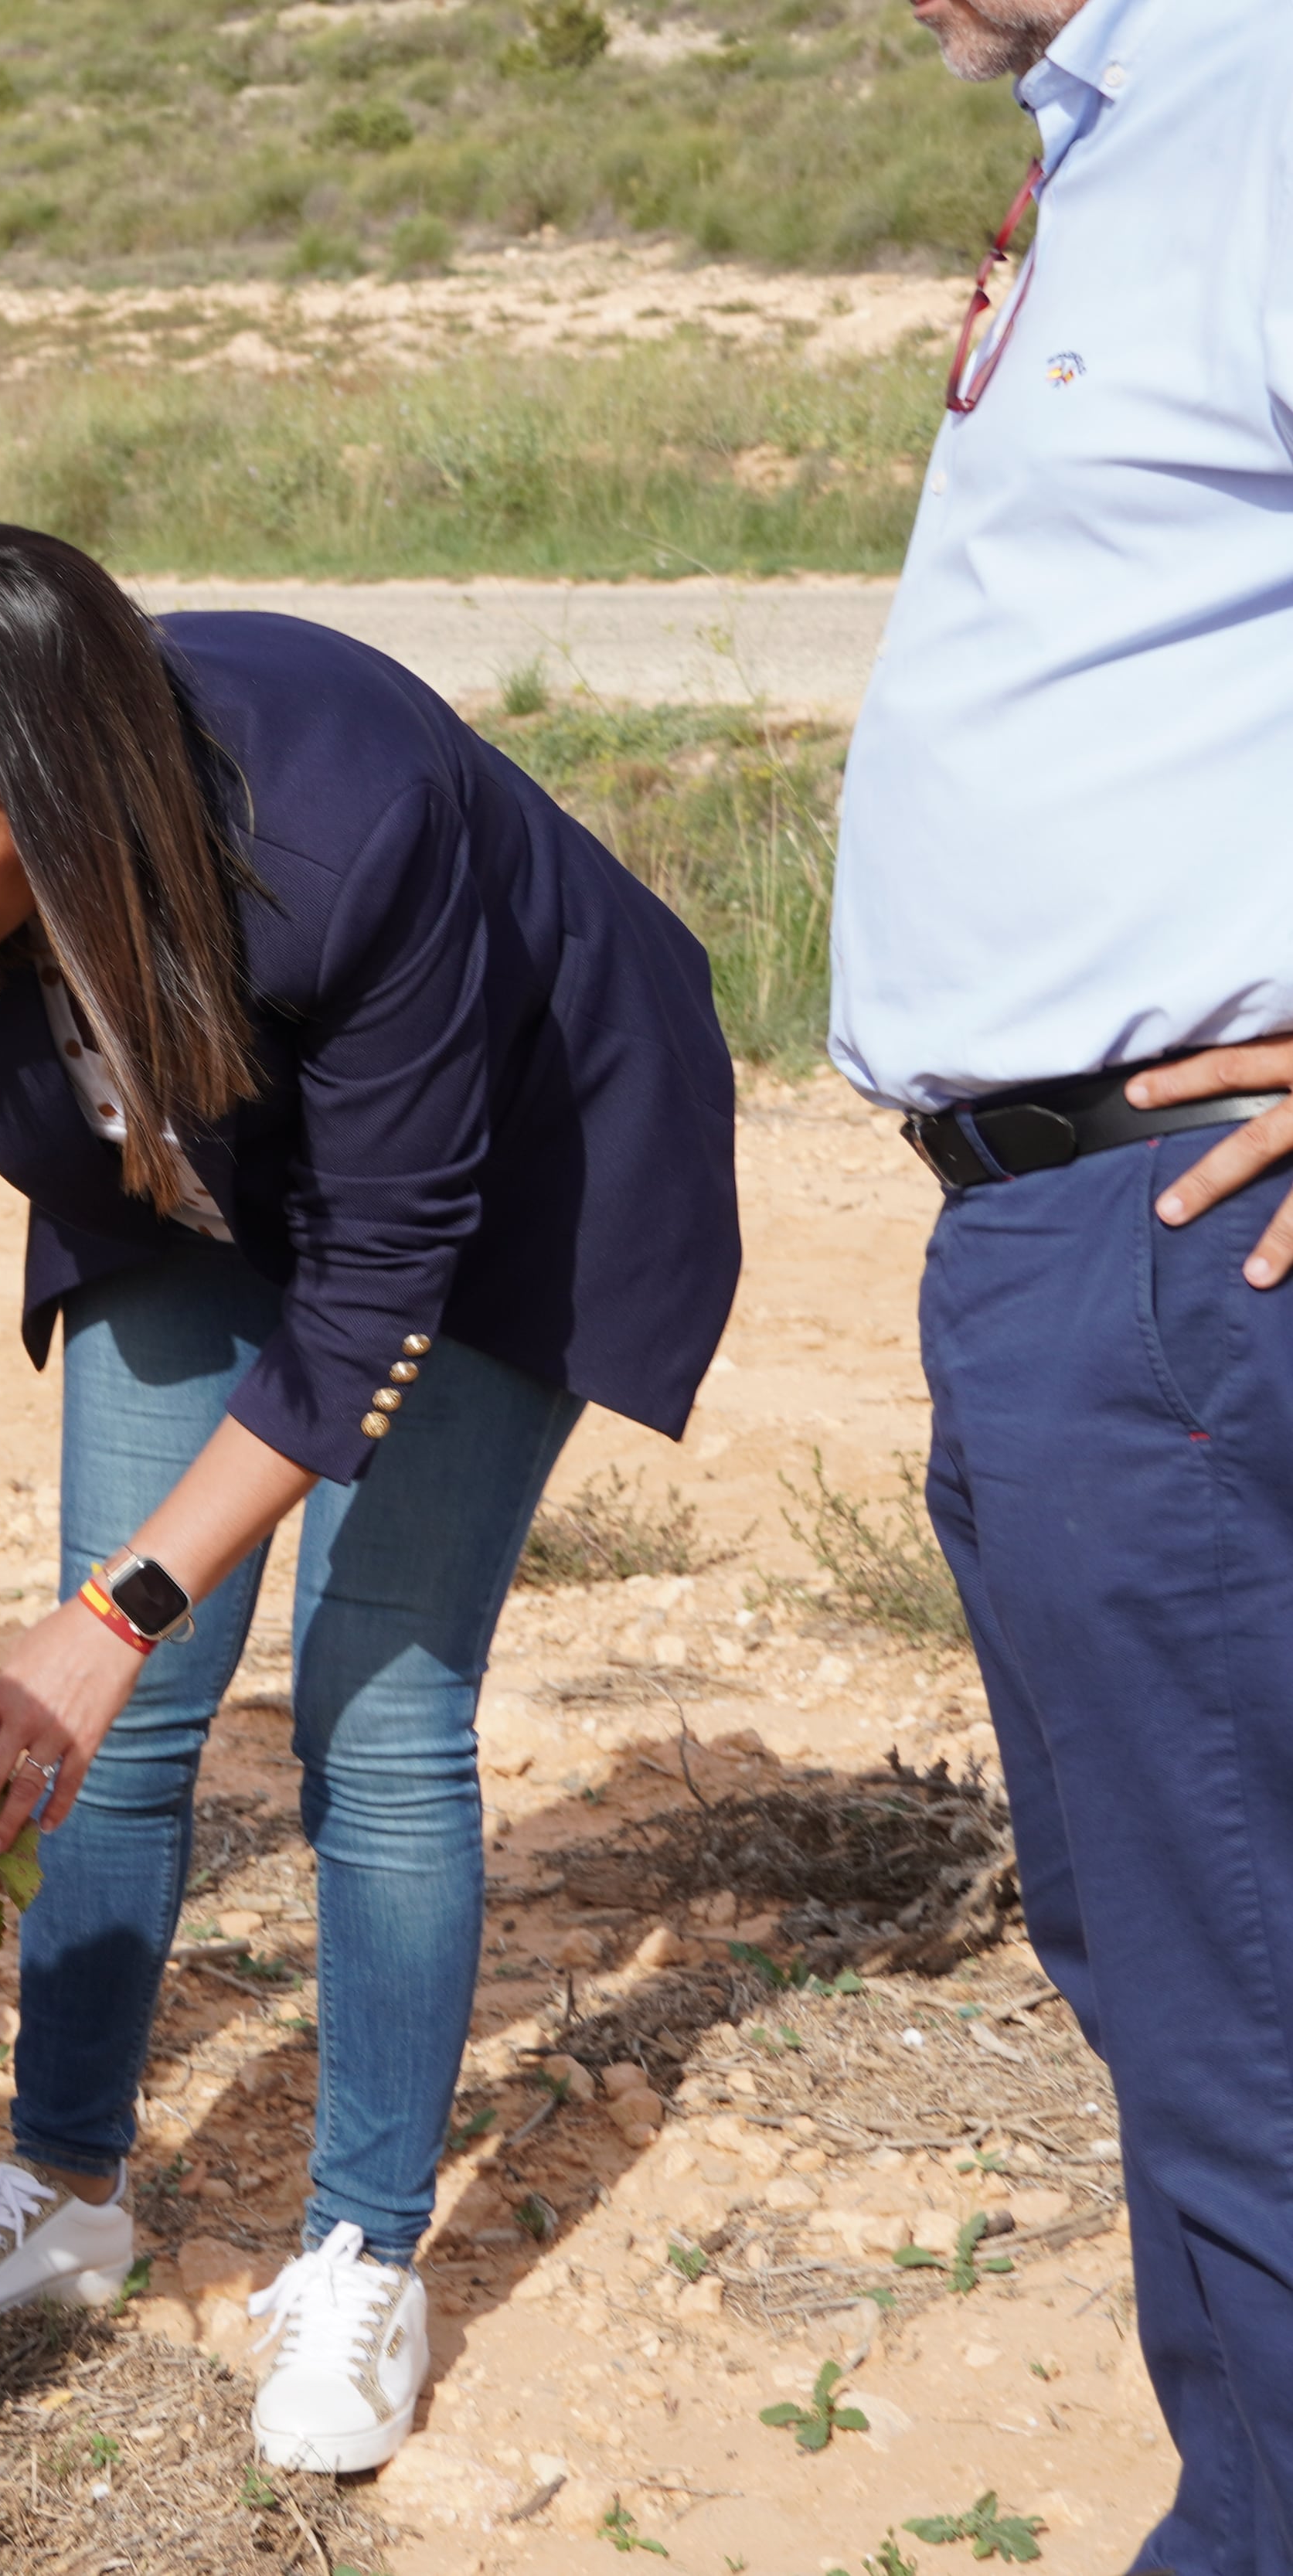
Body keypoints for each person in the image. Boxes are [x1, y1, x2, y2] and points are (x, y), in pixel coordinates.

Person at [0, 522, 738, 2472]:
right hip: (193, 1160)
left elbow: (379, 1284)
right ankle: (63, 2190)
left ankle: (363, 2248)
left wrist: (110, 1612)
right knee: (107, 1719)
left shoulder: (345, 819)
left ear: (65, 801)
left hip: (492, 1197)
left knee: (374, 1707)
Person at [833, 3, 1293, 2562]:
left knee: (1245, 2012)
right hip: (1061, 1230)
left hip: (1182, 1229)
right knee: (1176, 1965)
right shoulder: (1120, 136)